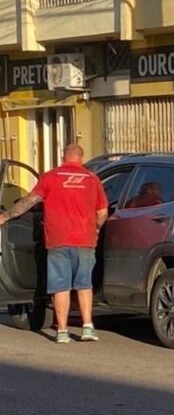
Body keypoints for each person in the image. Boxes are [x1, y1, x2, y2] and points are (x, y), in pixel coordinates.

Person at [0, 145, 108, 344]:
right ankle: (87, 327)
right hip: (85, 241)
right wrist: (96, 228)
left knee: (61, 287)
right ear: (81, 158)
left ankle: (63, 331)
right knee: (84, 285)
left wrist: (5, 216)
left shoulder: (51, 177)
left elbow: (29, 201)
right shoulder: (93, 180)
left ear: (63, 157)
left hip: (58, 240)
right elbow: (102, 212)